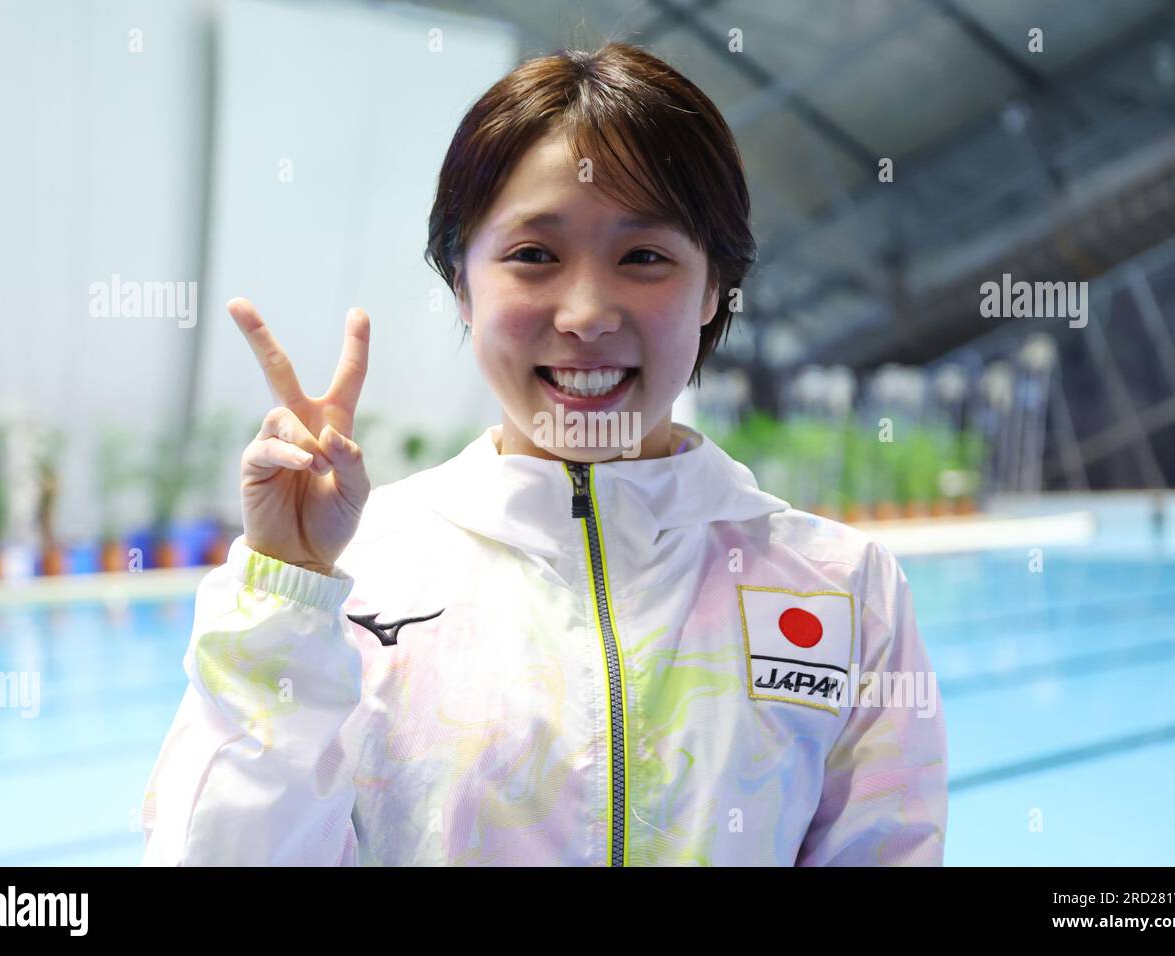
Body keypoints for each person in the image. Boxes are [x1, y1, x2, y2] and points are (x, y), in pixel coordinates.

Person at [140, 40, 947, 866]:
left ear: (713, 288)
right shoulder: (348, 580)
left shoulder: (844, 588)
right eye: (534, 255)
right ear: (462, 281)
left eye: (645, 257)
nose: (588, 313)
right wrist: (286, 591)